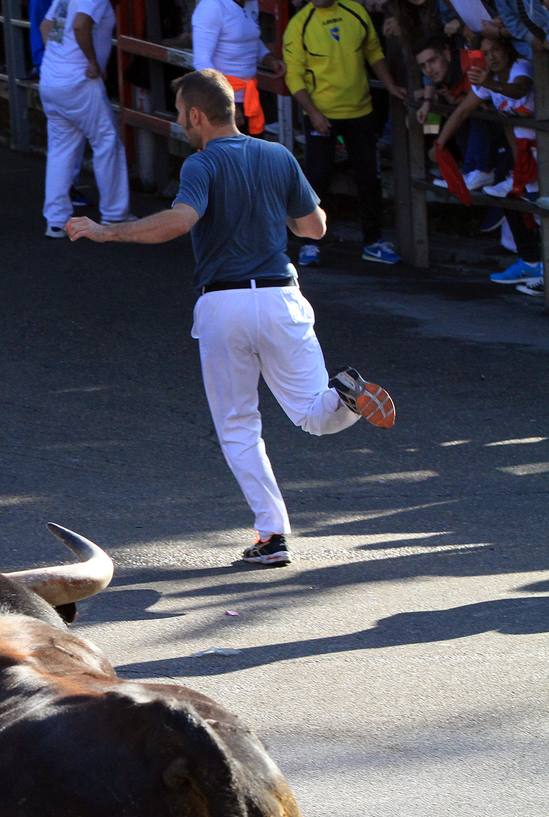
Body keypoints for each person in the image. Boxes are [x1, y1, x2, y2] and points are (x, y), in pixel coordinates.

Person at [66, 69, 396, 567]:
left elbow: (181, 220)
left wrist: (107, 231)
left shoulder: (201, 165)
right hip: (282, 297)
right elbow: (314, 227)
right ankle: (347, 392)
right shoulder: (277, 155)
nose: (180, 121)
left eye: (181, 113)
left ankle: (273, 535)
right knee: (314, 414)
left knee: (239, 425)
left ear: (198, 115)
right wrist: (273, 208)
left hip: (224, 305)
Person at [283, 0, 406, 267]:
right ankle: (310, 244)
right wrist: (313, 113)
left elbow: (374, 52)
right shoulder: (299, 25)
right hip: (322, 115)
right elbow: (294, 77)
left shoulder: (355, 11)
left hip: (360, 111)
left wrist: (390, 85)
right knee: (317, 179)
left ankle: (373, 241)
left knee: (369, 178)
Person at [433, 33, 540, 288]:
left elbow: (520, 89)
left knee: (538, 209)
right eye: (486, 53)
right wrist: (439, 144)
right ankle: (532, 264)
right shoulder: (484, 79)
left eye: (495, 51)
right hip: (524, 158)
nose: (491, 57)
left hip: (542, 153)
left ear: (507, 49)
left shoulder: (520, 67)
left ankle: (539, 270)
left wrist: (491, 84)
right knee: (512, 201)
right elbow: (461, 112)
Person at [38, 0, 132, 239]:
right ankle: (114, 215)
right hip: (79, 80)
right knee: (107, 143)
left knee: (61, 149)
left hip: (51, 79)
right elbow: (81, 25)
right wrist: (92, 61)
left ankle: (56, 221)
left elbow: (45, 25)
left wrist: (58, 59)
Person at [414, 35, 497, 193]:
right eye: (423, 66)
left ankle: (478, 169)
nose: (428, 70)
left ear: (446, 53)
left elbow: (484, 101)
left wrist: (460, 100)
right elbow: (429, 80)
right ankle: (447, 166)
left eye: (432, 61)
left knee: (476, 113)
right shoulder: (438, 75)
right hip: (462, 121)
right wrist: (427, 102)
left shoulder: (473, 61)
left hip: (498, 123)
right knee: (432, 116)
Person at [190, 0, 286, 135]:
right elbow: (202, 62)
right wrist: (226, 105)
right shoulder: (211, 6)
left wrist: (269, 59)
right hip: (221, 100)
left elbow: (250, 37)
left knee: (250, 146)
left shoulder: (251, 3)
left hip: (250, 97)